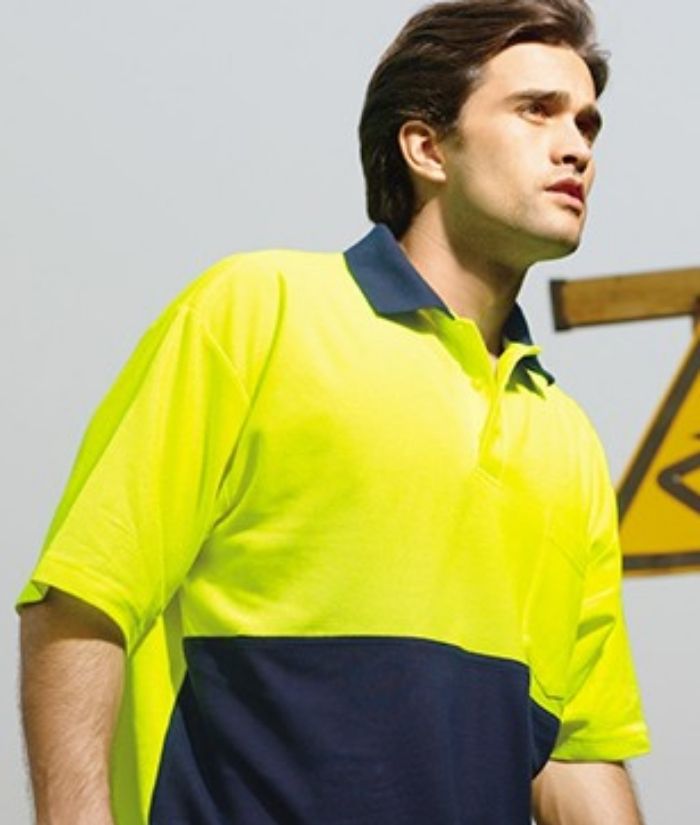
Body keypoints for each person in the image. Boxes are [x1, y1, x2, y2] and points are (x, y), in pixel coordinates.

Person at [18, 1, 651, 823]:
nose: (577, 147)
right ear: (426, 148)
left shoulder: (566, 438)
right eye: (538, 110)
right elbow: (81, 605)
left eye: (588, 124)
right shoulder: (257, 312)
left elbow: (574, 752)